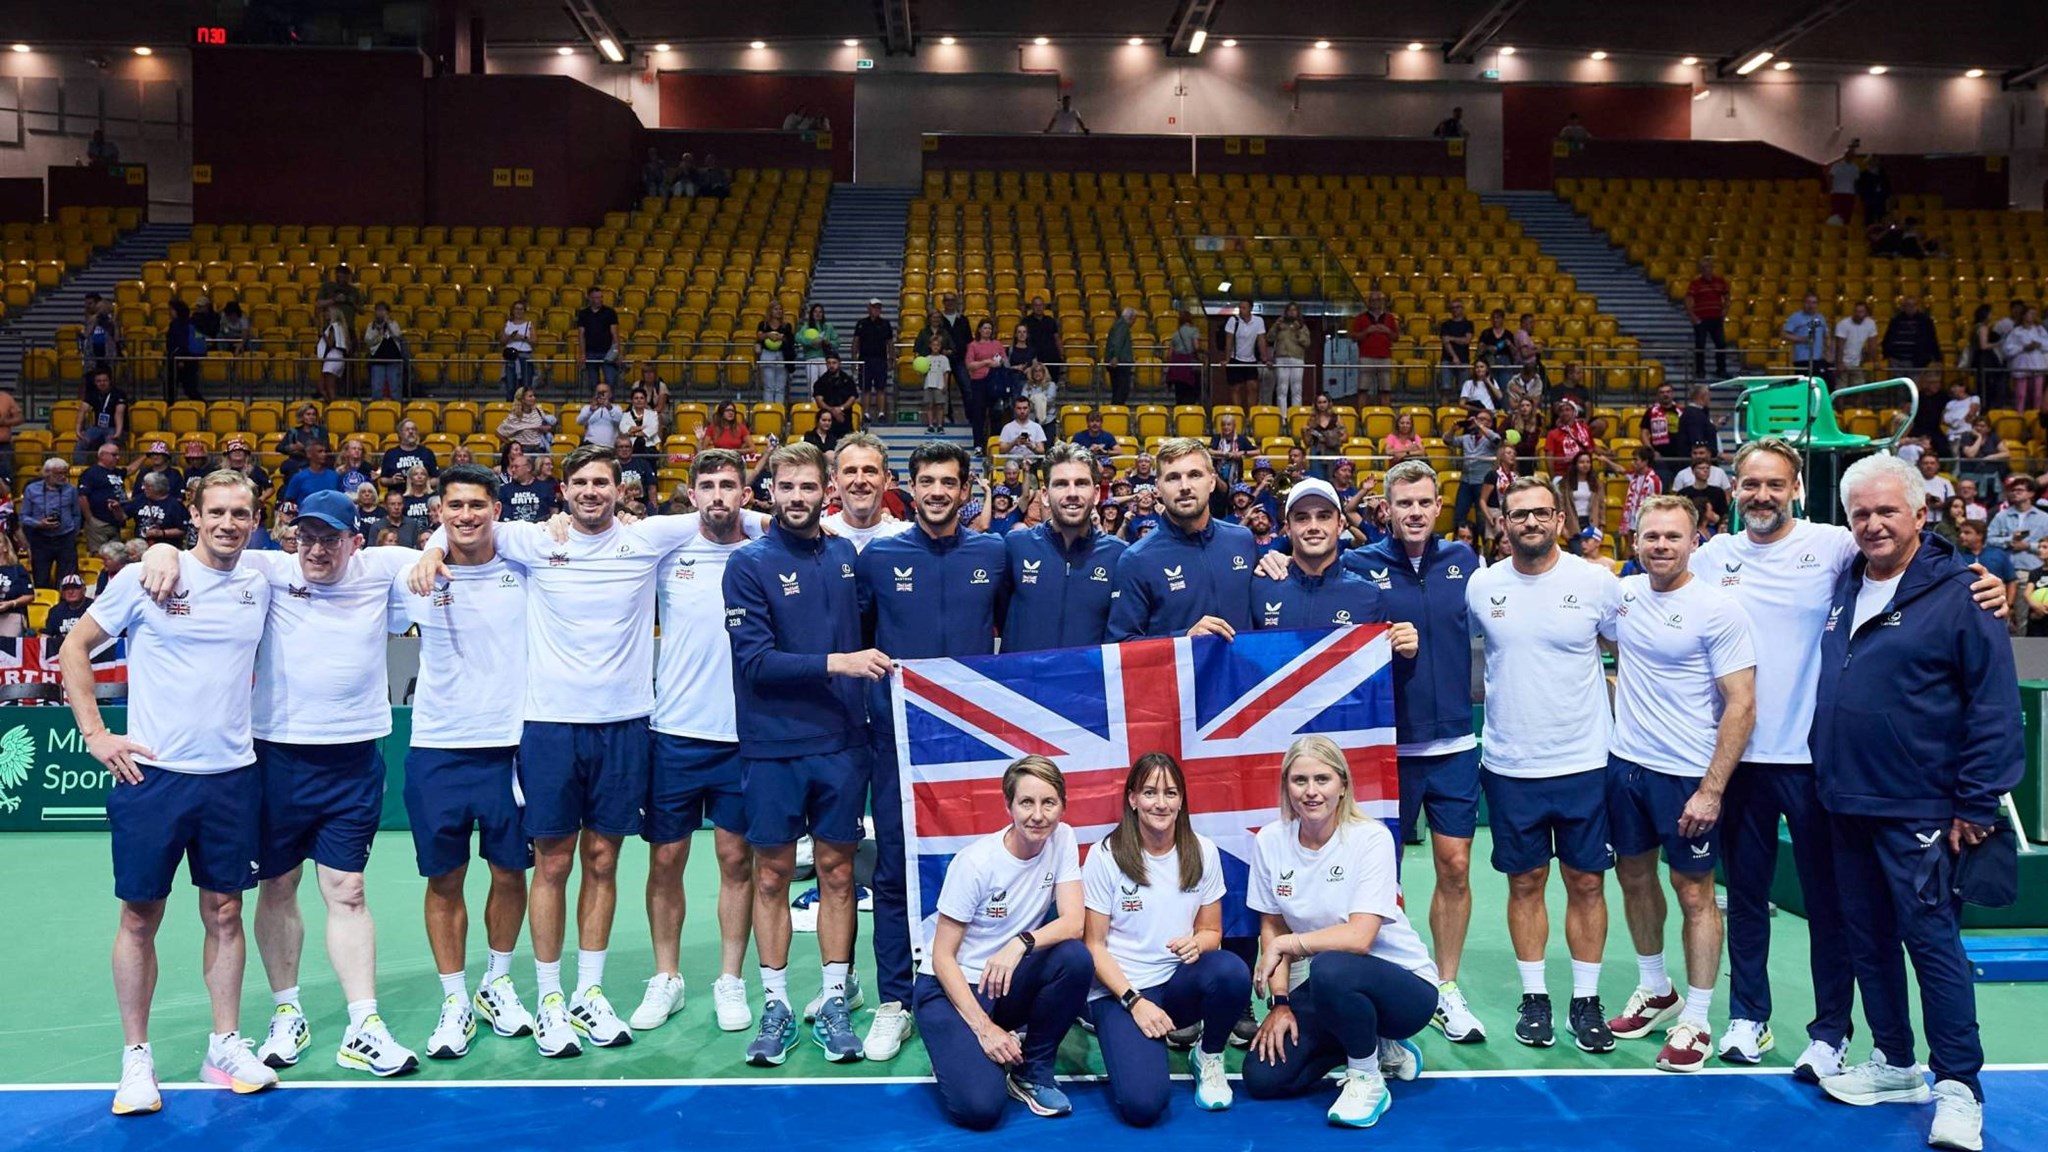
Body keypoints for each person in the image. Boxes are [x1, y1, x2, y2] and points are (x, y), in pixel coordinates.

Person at [406, 446, 753, 1057]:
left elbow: (737, 515)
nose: (591, 491)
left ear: (622, 490)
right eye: (580, 482)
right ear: (561, 490)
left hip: (625, 727)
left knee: (603, 860)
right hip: (549, 728)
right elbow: (465, 518)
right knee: (554, 863)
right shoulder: (534, 540)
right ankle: (548, 998)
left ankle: (589, 992)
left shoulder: (650, 538)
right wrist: (433, 548)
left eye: (602, 482)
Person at [135, 490, 423, 1077]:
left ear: (355, 541)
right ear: (292, 538)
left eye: (331, 538)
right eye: (307, 536)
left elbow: (443, 543)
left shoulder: (382, 570)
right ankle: (287, 1011)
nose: (316, 549)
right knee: (279, 886)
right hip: (275, 760)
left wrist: (437, 551)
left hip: (354, 761)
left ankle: (363, 1024)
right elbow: (196, 558)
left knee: (349, 890)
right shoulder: (266, 570)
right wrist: (158, 552)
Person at [1811, 453, 2020, 1152]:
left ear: (1920, 513)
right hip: (1847, 801)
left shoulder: (1965, 592)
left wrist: (1978, 801)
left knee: (1934, 949)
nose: (1872, 524)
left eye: (1886, 511)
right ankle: (1895, 1063)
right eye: (1861, 513)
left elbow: (1995, 705)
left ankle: (1959, 1088)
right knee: (1867, 941)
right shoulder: (1845, 582)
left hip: (1925, 809)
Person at [60, 470, 278, 1115]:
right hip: (152, 778)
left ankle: (225, 1044)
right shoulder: (147, 575)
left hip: (234, 776)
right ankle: (136, 1059)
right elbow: (75, 649)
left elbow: (341, 560)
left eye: (241, 513)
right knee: (139, 916)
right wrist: (96, 733)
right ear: (194, 512)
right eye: (216, 512)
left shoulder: (261, 578)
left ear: (255, 517)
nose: (228, 524)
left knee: (227, 912)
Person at [724, 441, 886, 1066]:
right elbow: (756, 662)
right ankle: (774, 1003)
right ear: (771, 492)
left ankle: (836, 998)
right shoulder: (747, 563)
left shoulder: (846, 553)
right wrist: (840, 663)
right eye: (786, 487)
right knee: (769, 875)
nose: (797, 498)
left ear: (828, 492)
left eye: (808, 487)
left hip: (843, 744)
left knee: (840, 874)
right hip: (771, 748)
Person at [856, 442, 1010, 1060]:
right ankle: (896, 1000)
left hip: (977, 742)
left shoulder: (994, 553)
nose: (938, 492)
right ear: (910, 489)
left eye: (949, 481)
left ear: (966, 488)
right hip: (899, 739)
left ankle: (990, 986)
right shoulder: (879, 557)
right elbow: (861, 642)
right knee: (893, 869)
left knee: (985, 868)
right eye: (927, 482)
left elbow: (1009, 629)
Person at [1602, 496, 1758, 1072]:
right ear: (1635, 542)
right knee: (1635, 878)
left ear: (1696, 542)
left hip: (1688, 774)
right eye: (1651, 537)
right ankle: (1656, 990)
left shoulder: (1718, 609)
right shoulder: (1622, 597)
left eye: (1673, 536)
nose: (1661, 546)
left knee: (1695, 894)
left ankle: (1695, 1018)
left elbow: (1742, 705)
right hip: (1625, 767)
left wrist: (1712, 789)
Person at [1466, 477, 1620, 1053]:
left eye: (1539, 513)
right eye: (1517, 515)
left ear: (1559, 519)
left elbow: (1631, 651)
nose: (1529, 523)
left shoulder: (1596, 583)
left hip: (1584, 761)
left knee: (1586, 882)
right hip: (1509, 764)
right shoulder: (1482, 586)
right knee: (1525, 882)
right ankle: (1535, 998)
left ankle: (1586, 1001)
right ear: (1502, 524)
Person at [392, 466, 536, 1058]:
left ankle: (496, 980)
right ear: (439, 511)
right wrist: (426, 552)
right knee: (444, 878)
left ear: (496, 510)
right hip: (438, 747)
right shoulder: (413, 577)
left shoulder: (525, 569)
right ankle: (455, 998)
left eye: (477, 505)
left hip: (513, 748)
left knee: (510, 873)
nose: (467, 515)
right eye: (455, 506)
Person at [632, 449, 761, 1037]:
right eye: (706, 485)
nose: (717, 495)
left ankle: (731, 979)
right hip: (675, 734)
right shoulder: (667, 547)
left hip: (744, 737)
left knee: (738, 861)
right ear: (690, 491)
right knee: (666, 860)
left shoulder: (763, 546)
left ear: (744, 490)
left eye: (728, 485)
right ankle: (667, 977)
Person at [1243, 735, 1437, 1126]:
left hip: (1404, 989)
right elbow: (1272, 925)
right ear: (1286, 786)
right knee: (1263, 1078)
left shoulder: (1370, 838)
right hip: (1334, 988)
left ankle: (1367, 1077)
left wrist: (1290, 944)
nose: (1311, 792)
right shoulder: (1269, 841)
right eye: (1300, 781)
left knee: (1332, 965)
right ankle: (1374, 1045)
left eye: (1322, 779)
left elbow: (1359, 937)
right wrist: (1281, 1004)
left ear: (1343, 784)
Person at [916, 756, 1089, 1128]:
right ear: (1008, 805)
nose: (1038, 815)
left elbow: (1074, 923)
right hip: (949, 986)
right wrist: (984, 1029)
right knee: (980, 1109)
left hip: (1005, 978)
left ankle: (1032, 1071)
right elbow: (942, 957)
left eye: (1049, 803)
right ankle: (957, 1046)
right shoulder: (976, 863)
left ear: (1062, 805)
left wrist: (1020, 943)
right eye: (1026, 802)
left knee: (1074, 958)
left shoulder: (1063, 838)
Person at [1084, 752, 1250, 1124]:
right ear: (1132, 799)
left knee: (1230, 971)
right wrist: (1133, 1001)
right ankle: (1104, 1021)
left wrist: (1198, 944)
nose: (1161, 803)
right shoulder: (1105, 855)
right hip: (1122, 991)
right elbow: (1093, 945)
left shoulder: (1202, 850)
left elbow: (1211, 931)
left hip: (1177, 984)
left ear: (1181, 800)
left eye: (1171, 793)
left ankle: (1208, 1055)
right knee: (1143, 1106)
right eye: (1150, 792)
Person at [1002, 443, 1127, 651]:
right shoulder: (1016, 546)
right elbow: (998, 612)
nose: (1072, 493)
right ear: (1044, 494)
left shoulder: (1119, 555)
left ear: (1096, 494)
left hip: (1088, 682)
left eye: (1081, 483)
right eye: (1061, 484)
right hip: (1021, 682)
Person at [21, 457, 80, 587]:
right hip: (41, 540)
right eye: (59, 473)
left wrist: (73, 533)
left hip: (65, 539)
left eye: (65, 473)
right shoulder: (31, 489)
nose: (64, 477)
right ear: (47, 473)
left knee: (67, 581)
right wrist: (39, 523)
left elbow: (76, 514)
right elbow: (24, 516)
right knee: (41, 579)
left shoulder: (71, 490)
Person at [1685, 257, 1732, 381]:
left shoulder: (1720, 282)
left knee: (1721, 344)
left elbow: (1727, 297)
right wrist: (1693, 316)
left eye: (1709, 267)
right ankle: (1700, 371)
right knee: (1700, 345)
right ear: (1700, 270)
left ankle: (1721, 370)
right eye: (1704, 268)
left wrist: (1725, 311)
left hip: (1716, 318)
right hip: (1701, 319)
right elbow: (1689, 300)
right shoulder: (1695, 284)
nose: (1707, 270)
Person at [1350, 292, 1400, 402]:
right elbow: (1353, 336)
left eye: (1378, 300)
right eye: (1373, 300)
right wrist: (1367, 332)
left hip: (1385, 357)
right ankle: (1362, 416)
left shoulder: (1390, 318)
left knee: (1386, 389)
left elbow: (1396, 337)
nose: (1375, 303)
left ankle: (1386, 414)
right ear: (1369, 302)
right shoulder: (1361, 318)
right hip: (1366, 357)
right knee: (1363, 389)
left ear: (1382, 302)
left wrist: (1387, 331)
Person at [1221, 299, 1268, 410]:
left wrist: (1265, 358)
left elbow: (1261, 340)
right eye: (1240, 308)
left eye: (1244, 308)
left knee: (1253, 387)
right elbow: (1229, 341)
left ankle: (1250, 415)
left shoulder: (1258, 321)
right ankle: (1238, 414)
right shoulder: (1233, 321)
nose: (1241, 310)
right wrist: (1227, 359)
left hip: (1250, 360)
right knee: (1236, 388)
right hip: (1235, 358)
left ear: (1250, 309)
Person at [573, 287, 621, 394]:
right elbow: (581, 335)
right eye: (596, 297)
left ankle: (609, 405)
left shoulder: (610, 312)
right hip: (591, 352)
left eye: (600, 297)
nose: (599, 300)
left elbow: (615, 334)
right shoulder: (583, 314)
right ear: (589, 298)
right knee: (593, 383)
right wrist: (582, 354)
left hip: (607, 352)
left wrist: (617, 352)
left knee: (610, 381)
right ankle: (597, 405)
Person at [76, 366, 128, 462]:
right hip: (98, 428)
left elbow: (119, 414)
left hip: (115, 428)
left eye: (105, 380)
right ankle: (80, 468)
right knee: (82, 441)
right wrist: (78, 430)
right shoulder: (92, 394)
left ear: (109, 381)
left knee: (110, 442)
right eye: (99, 381)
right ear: (95, 382)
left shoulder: (119, 394)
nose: (102, 383)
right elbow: (82, 410)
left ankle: (109, 467)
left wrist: (118, 433)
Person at [853, 300, 894, 421]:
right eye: (874, 307)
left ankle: (881, 413)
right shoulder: (862, 323)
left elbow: (890, 342)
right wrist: (854, 358)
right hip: (865, 359)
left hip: (880, 359)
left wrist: (891, 357)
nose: (876, 309)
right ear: (868, 308)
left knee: (880, 387)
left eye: (878, 307)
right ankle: (866, 413)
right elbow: (856, 341)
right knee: (865, 388)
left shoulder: (885, 324)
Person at [1783, 293, 1832, 383]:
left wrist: (1828, 351)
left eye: (1814, 303)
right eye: (1808, 302)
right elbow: (1785, 335)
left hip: (1818, 358)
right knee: (1804, 385)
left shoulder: (1821, 318)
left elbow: (1826, 335)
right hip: (1802, 359)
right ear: (1804, 303)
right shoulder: (1795, 317)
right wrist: (1802, 339)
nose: (1811, 305)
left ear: (1817, 304)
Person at [363, 303, 407, 401]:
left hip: (393, 358)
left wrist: (388, 324)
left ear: (388, 312)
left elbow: (398, 336)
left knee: (395, 386)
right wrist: (379, 331)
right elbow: (368, 341)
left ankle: (397, 407)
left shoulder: (394, 323)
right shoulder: (371, 325)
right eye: (378, 310)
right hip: (378, 358)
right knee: (377, 386)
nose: (381, 312)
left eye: (383, 310)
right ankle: (376, 407)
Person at [757, 302, 796, 407]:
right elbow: (759, 337)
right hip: (767, 354)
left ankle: (779, 409)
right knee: (769, 386)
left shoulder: (786, 326)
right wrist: (768, 335)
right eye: (776, 309)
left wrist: (782, 338)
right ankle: (768, 409)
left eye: (780, 309)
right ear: (770, 311)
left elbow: (791, 340)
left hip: (781, 355)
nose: (778, 311)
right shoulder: (763, 324)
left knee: (780, 387)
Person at [497, 386, 556, 455]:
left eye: (534, 396)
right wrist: (511, 445)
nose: (534, 398)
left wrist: (546, 428)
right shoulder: (514, 416)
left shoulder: (538, 411)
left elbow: (550, 427)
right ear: (522, 399)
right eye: (530, 396)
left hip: (539, 449)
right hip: (523, 450)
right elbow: (499, 433)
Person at [1438, 300, 1475, 395]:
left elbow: (1467, 340)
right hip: (1447, 360)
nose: (1455, 310)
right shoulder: (1445, 325)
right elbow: (1445, 342)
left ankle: (1461, 410)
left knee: (1464, 391)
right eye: (1452, 308)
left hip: (1464, 360)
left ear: (1462, 309)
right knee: (1445, 389)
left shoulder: (1468, 324)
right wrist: (1454, 357)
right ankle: (1444, 409)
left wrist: (1451, 338)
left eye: (1457, 307)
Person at [797, 303, 838, 392]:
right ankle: (813, 404)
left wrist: (829, 342)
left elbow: (837, 342)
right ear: (812, 314)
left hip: (824, 359)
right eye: (815, 312)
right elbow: (798, 338)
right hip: (810, 358)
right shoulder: (806, 327)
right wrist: (811, 342)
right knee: (812, 384)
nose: (818, 314)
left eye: (820, 312)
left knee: (826, 384)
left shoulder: (828, 327)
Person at [500, 300, 535, 400]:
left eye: (521, 309)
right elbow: (501, 341)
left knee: (525, 386)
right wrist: (511, 337)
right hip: (511, 357)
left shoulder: (529, 324)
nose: (518, 311)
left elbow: (535, 342)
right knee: (510, 386)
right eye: (516, 309)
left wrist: (523, 338)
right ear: (513, 311)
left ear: (524, 311)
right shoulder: (507, 324)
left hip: (525, 357)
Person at [315, 304, 350, 403]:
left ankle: (333, 406)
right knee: (323, 386)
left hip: (332, 357)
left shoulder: (333, 327)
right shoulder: (340, 327)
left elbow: (330, 343)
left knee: (330, 388)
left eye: (328, 312)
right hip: (337, 357)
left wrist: (323, 335)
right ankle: (330, 403)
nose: (325, 314)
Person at [920, 331, 951, 435]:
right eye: (934, 345)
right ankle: (930, 425)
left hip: (939, 385)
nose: (936, 347)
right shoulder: (926, 359)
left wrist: (945, 385)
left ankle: (940, 425)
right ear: (930, 346)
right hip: (929, 384)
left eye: (938, 345)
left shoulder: (944, 359)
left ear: (941, 346)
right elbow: (923, 373)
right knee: (929, 405)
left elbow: (946, 373)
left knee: (940, 406)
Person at [41, 572, 90, 637]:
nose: (70, 592)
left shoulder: (93, 608)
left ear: (84, 589)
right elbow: (46, 636)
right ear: (62, 592)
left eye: (75, 587)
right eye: (66, 588)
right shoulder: (55, 611)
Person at [578, 382, 623, 450]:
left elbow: (620, 421)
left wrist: (609, 408)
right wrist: (591, 410)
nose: (601, 394)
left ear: (610, 394)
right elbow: (579, 421)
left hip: (609, 447)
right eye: (599, 392)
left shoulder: (616, 408)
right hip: (590, 447)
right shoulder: (587, 408)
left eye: (604, 392)